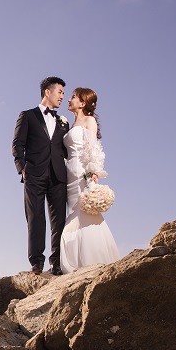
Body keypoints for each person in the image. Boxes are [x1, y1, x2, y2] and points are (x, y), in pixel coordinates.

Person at [59, 87, 120, 273]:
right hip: (69, 172)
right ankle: (75, 261)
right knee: (72, 213)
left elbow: (93, 147)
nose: (69, 99)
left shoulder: (89, 120)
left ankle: (92, 260)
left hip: (81, 172)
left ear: (83, 102)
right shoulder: (71, 123)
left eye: (73, 97)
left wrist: (93, 173)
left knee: (83, 213)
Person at [12, 76, 69, 275]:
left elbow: (66, 149)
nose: (63, 96)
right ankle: (37, 262)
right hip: (34, 174)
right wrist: (22, 168)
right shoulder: (28, 116)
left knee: (59, 220)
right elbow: (17, 144)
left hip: (58, 175)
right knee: (35, 217)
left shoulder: (63, 122)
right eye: (60, 92)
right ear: (48, 91)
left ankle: (57, 262)